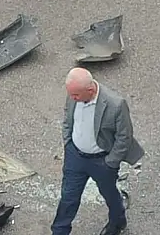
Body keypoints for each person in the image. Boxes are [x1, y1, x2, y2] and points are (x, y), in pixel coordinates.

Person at [51, 68, 144, 235]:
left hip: (101, 161)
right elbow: (67, 119)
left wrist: (111, 162)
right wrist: (68, 143)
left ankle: (117, 222)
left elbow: (124, 137)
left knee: (109, 194)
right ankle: (59, 231)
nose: (72, 98)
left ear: (90, 90)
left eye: (76, 95)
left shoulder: (115, 105)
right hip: (75, 157)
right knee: (68, 197)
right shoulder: (74, 94)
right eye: (71, 94)